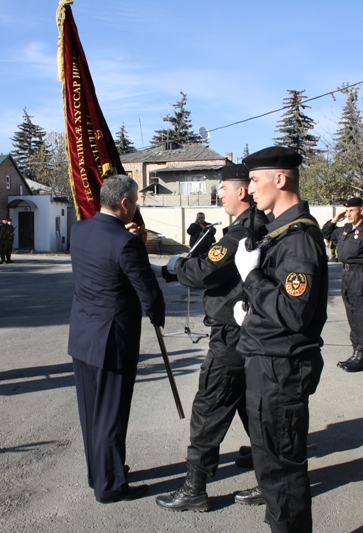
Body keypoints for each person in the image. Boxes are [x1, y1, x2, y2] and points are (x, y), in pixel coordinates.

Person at [155, 164, 268, 512]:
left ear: (242, 192)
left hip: (231, 336)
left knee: (210, 407)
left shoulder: (241, 234)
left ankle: (195, 488)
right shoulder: (251, 227)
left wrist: (176, 268)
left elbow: (205, 269)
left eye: (223, 188)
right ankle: (273, 477)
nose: (219, 194)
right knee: (253, 409)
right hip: (245, 332)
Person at [233, 146, 328, 532]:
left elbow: (294, 312)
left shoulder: (298, 239)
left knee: (282, 474)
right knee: (271, 468)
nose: (249, 189)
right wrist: (251, 317)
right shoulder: (280, 232)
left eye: (255, 180)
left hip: (280, 370)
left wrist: (250, 278)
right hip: (267, 362)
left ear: (280, 179)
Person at [68, 175, 165, 504]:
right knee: (111, 415)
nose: (136, 207)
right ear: (125, 203)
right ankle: (110, 486)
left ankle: (99, 473)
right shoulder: (127, 243)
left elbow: (101, 260)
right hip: (112, 340)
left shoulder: (80, 230)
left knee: (90, 413)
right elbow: (146, 290)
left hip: (83, 336)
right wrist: (158, 313)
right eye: (136, 201)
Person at [321, 197, 363, 372]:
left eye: (352, 210)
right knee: (351, 314)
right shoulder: (346, 229)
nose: (349, 214)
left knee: (362, 315)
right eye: (347, 211)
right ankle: (355, 350)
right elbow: (326, 233)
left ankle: (362, 354)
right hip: (347, 274)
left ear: (361, 210)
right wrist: (336, 219)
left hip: (361, 275)